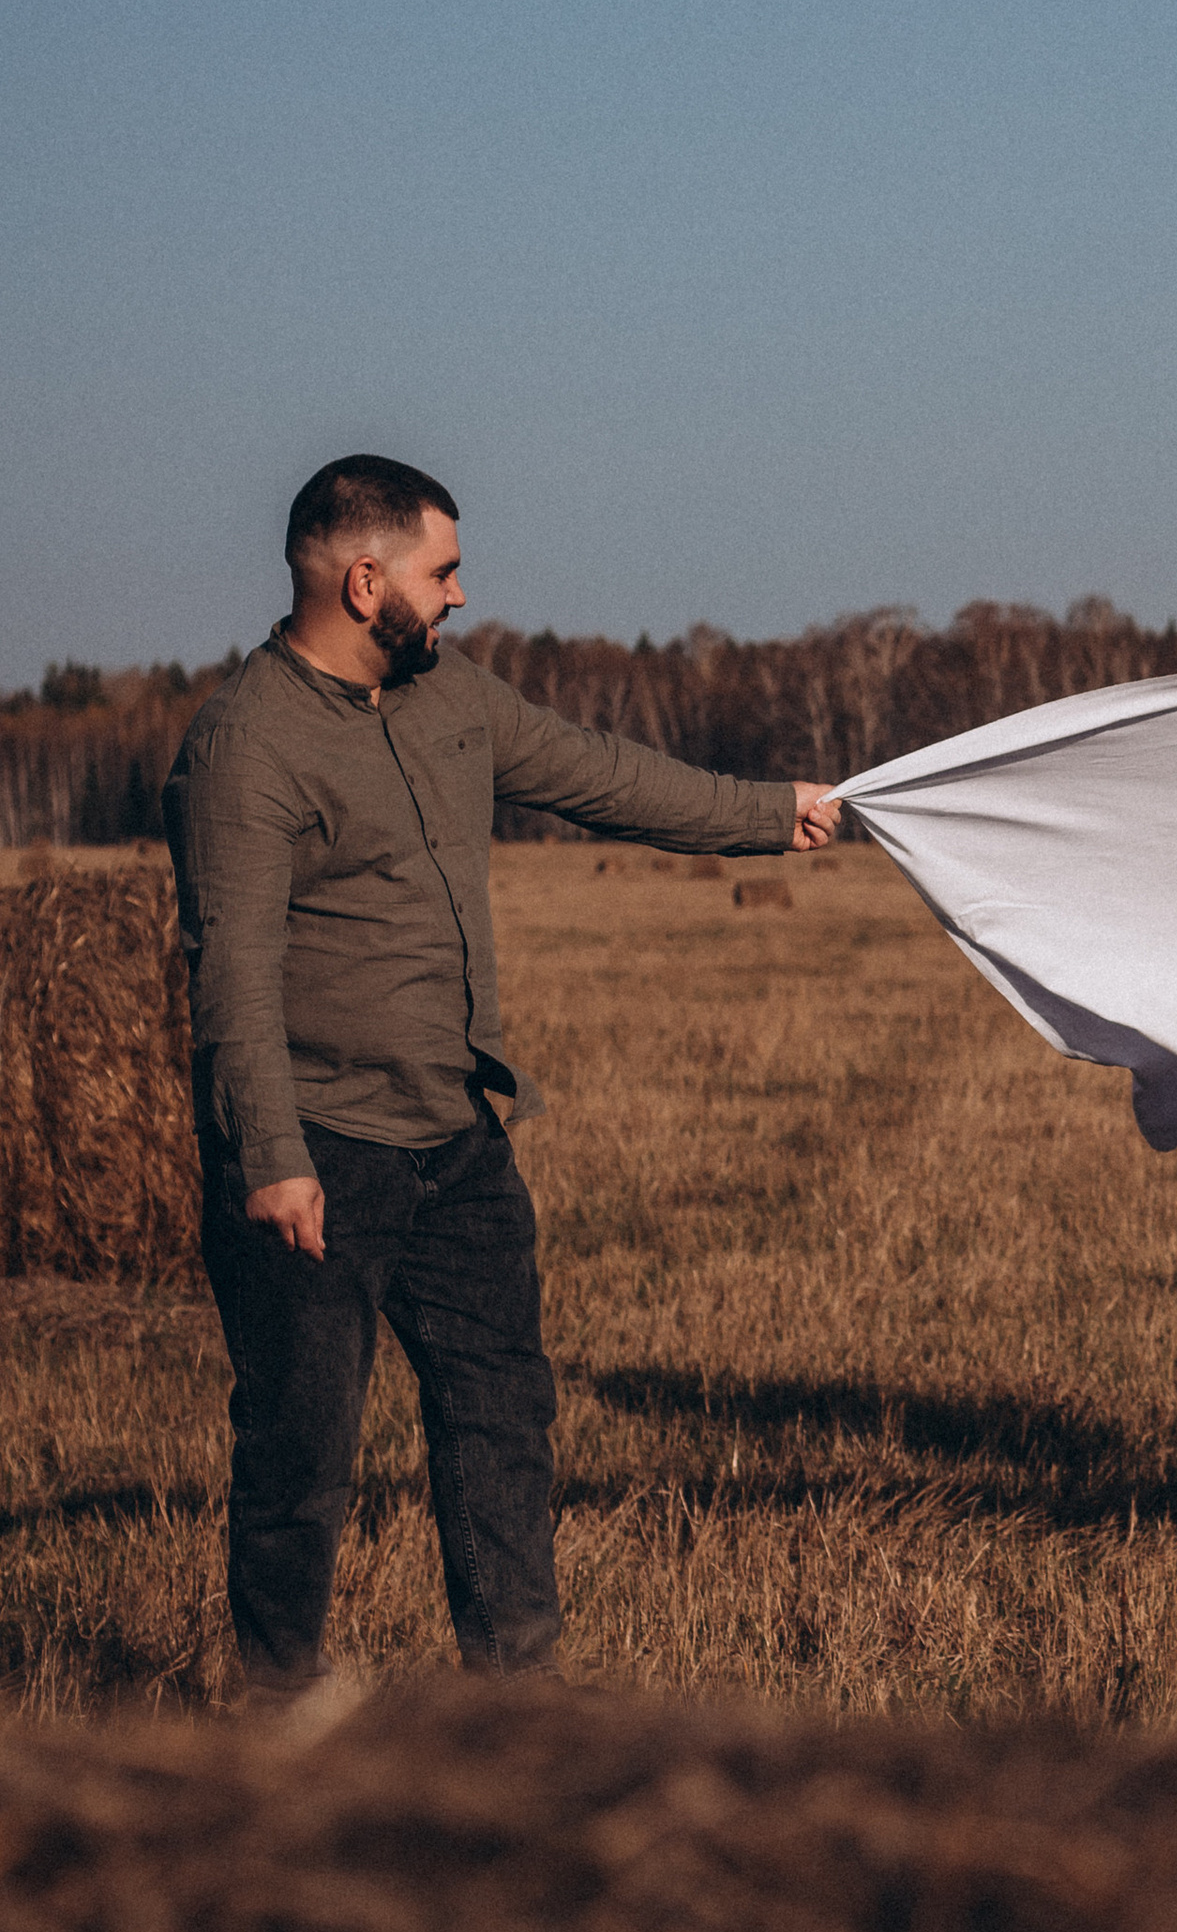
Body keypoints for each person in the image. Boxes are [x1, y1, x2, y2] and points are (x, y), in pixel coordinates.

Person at [164, 453, 840, 1706]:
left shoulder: (450, 696)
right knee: (301, 1457)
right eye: (445, 572)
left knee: (501, 1424)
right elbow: (233, 973)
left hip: (458, 1141)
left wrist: (769, 814)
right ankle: (275, 1718)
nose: (463, 595)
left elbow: (604, 775)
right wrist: (272, 1160)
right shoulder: (245, 749)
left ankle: (516, 1708)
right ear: (367, 582)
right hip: (322, 1147)